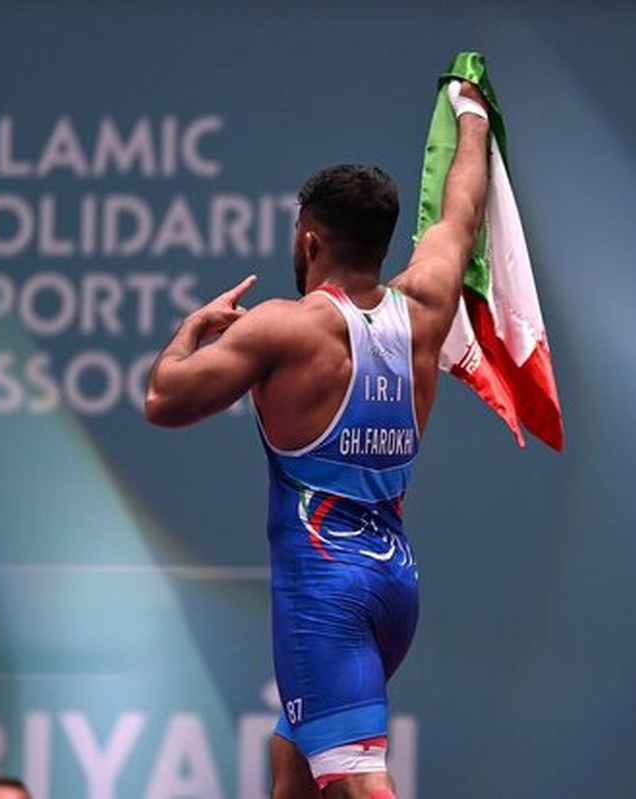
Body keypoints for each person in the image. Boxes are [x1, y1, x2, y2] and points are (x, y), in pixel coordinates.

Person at [145, 79, 491, 799]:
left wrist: (190, 330)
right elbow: (461, 210)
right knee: (293, 767)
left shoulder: (286, 326)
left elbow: (163, 400)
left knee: (359, 784)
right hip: (395, 586)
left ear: (309, 240)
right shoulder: (426, 305)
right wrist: (473, 115)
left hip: (324, 592)